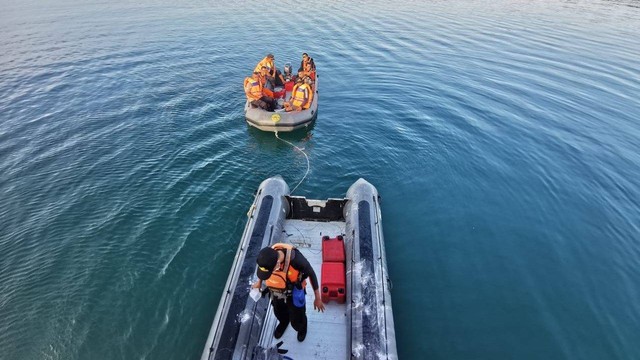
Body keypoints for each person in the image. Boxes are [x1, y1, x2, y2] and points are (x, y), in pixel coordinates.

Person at [253, 243, 325, 342]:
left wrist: (317, 298)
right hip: (276, 291)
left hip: (293, 292)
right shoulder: (267, 256)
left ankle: (301, 328)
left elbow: (311, 273)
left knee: (297, 318)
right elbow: (263, 270)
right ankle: (284, 322)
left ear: (278, 264)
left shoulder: (296, 260)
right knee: (278, 312)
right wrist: (259, 282)